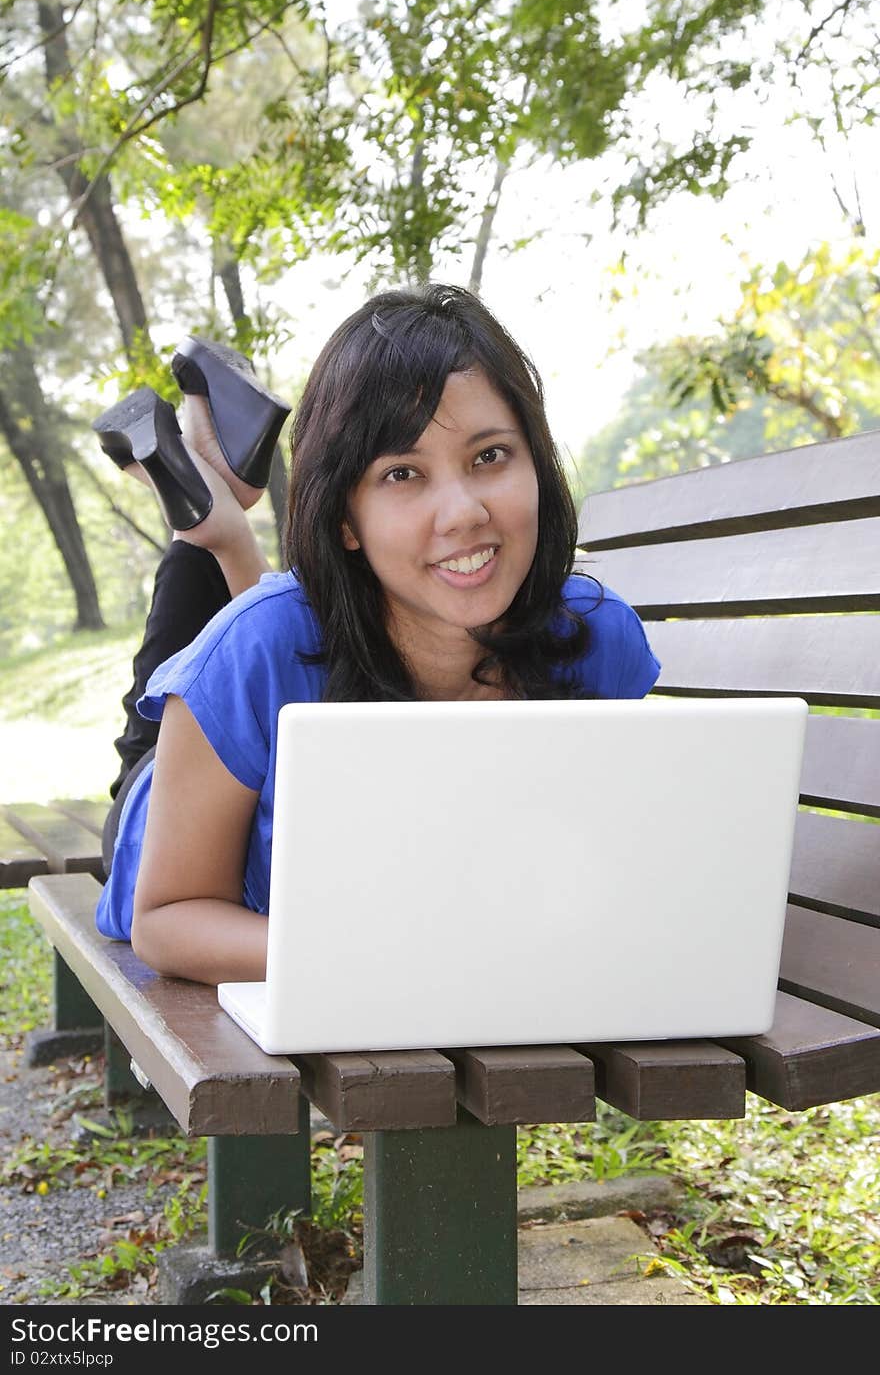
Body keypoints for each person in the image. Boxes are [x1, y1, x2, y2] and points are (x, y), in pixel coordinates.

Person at [94, 282, 661, 987]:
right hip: (176, 813)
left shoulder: (592, 638)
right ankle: (215, 529)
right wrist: (389, 954)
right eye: (402, 472)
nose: (462, 512)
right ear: (344, 519)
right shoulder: (246, 655)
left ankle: (218, 505)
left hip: (279, 674)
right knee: (205, 683)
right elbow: (169, 918)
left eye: (490, 456)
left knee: (267, 632)